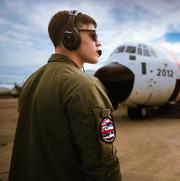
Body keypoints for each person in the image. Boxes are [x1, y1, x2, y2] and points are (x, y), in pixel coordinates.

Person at [9, 10, 121, 181]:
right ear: (70, 36)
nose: (99, 42)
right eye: (93, 35)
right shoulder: (84, 85)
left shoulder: (31, 81)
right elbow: (102, 165)